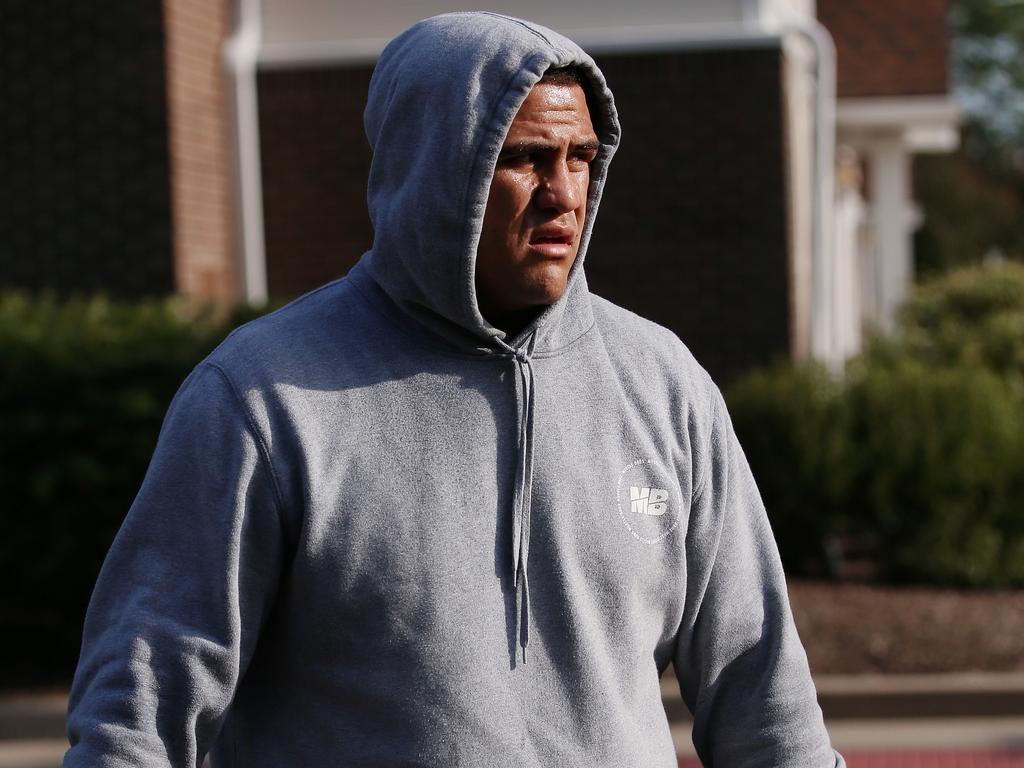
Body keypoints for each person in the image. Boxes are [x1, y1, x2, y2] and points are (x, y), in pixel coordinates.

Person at [65, 12, 844, 767]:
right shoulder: (262, 399)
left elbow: (763, 694)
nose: (563, 193)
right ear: (432, 165)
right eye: (525, 157)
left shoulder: (664, 383)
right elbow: (139, 714)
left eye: (580, 157)